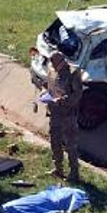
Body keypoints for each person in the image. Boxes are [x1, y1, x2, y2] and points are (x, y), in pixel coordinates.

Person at [45, 51, 83, 181]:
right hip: (54, 112)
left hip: (68, 115)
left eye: (54, 63)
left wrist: (64, 100)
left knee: (70, 144)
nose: (52, 65)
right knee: (54, 141)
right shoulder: (52, 70)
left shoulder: (73, 73)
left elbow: (77, 94)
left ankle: (74, 172)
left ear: (61, 62)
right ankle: (58, 168)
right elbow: (50, 86)